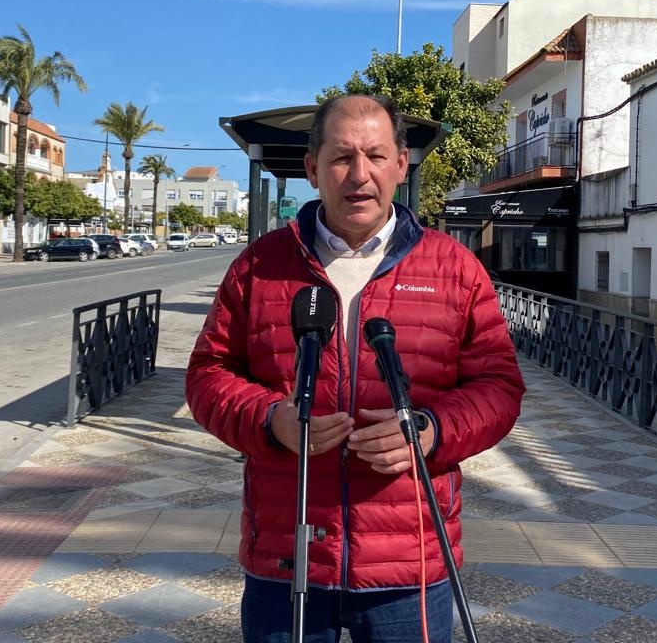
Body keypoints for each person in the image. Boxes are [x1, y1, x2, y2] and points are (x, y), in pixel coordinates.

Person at [186, 94, 525, 642]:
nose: (360, 174)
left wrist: (432, 430)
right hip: (287, 557)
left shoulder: (455, 267)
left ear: (401, 164)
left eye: (376, 155)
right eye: (342, 157)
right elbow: (208, 374)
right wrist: (271, 421)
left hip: (409, 565)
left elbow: (499, 387)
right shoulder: (260, 264)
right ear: (312, 168)